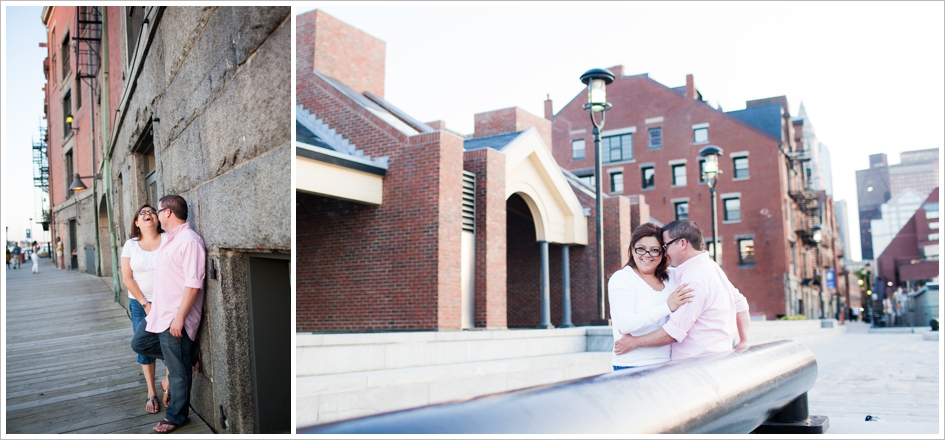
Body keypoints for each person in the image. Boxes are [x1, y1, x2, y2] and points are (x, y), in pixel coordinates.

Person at [614, 219, 751, 361]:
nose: (665, 253)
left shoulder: (694, 279)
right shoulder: (712, 267)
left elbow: (673, 332)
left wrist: (634, 342)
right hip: (716, 357)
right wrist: (744, 340)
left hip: (695, 364)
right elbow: (740, 304)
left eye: (666, 246)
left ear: (682, 243)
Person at [131, 195, 206, 434]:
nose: (156, 214)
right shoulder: (171, 240)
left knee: (177, 372)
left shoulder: (189, 241)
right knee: (140, 343)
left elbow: (194, 284)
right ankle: (189, 353)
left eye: (158, 210)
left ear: (168, 213)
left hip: (175, 319)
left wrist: (180, 317)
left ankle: (176, 417)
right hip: (158, 316)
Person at [609, 223, 693, 370]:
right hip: (633, 365)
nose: (647, 256)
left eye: (655, 250)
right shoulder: (622, 278)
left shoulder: (673, 275)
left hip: (669, 363)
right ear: (632, 248)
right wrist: (667, 307)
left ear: (663, 253)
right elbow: (625, 324)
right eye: (641, 249)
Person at [121, 203, 170, 414]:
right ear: (136, 222)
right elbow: (127, 278)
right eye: (143, 213)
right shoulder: (130, 245)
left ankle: (168, 383)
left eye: (151, 212)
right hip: (140, 304)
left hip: (168, 301)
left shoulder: (168, 239)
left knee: (169, 343)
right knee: (143, 344)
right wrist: (145, 303)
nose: (148, 214)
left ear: (158, 219)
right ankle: (151, 392)